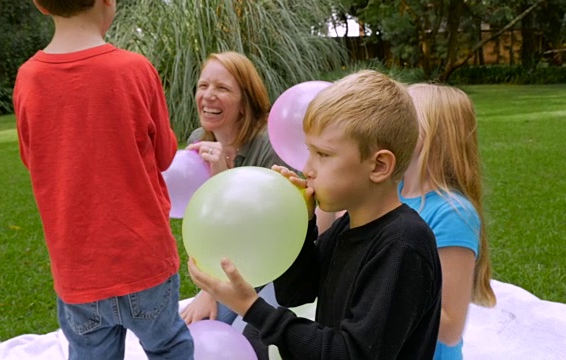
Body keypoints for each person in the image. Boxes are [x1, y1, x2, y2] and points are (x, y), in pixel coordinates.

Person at [188, 70, 443, 359]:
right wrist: (303, 223)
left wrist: (251, 307)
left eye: (323, 155)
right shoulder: (349, 226)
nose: (307, 168)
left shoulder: (403, 244)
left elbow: (351, 353)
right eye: (310, 152)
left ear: (379, 166)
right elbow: (296, 292)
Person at [13, 1, 193, 359]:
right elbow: (164, 156)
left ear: (39, 4)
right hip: (144, 259)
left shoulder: (28, 79)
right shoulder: (135, 70)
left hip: (78, 271)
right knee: (168, 346)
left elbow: (33, 160)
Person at [180, 51, 287, 325]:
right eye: (203, 86)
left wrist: (212, 292)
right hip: (227, 266)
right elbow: (205, 228)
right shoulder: (197, 142)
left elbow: (269, 234)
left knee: (216, 331)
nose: (208, 95)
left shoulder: (269, 148)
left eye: (222, 88)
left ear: (245, 103)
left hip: (272, 268)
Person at [402, 84, 497, 360]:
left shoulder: (452, 213)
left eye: (403, 116)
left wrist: (382, 294)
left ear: (434, 135)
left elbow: (450, 327)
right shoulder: (390, 193)